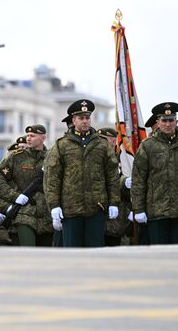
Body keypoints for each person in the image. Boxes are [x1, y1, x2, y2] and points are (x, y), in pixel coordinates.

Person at [44, 100, 120, 247]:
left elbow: (111, 175)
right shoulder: (62, 145)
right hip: (70, 209)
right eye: (81, 118)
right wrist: (54, 205)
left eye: (87, 117)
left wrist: (114, 202)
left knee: (95, 251)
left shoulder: (102, 144)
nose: (85, 121)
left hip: (96, 208)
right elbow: (53, 178)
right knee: (72, 252)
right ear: (73, 120)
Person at [131, 102, 178, 244]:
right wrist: (138, 208)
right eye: (164, 120)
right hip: (156, 212)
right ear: (158, 122)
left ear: (176, 121)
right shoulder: (147, 146)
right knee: (159, 256)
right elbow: (138, 179)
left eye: (171, 120)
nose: (168, 124)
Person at [0, 124, 50, 246]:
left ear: (43, 138)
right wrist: (14, 196)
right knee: (28, 251)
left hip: (47, 214)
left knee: (46, 255)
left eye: (32, 136)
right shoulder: (16, 157)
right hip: (24, 213)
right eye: (28, 135)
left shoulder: (51, 157)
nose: (28, 138)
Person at [97, 127, 130, 246]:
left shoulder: (123, 160)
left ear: (113, 141)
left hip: (118, 215)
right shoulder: (95, 159)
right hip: (98, 211)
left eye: (105, 140)